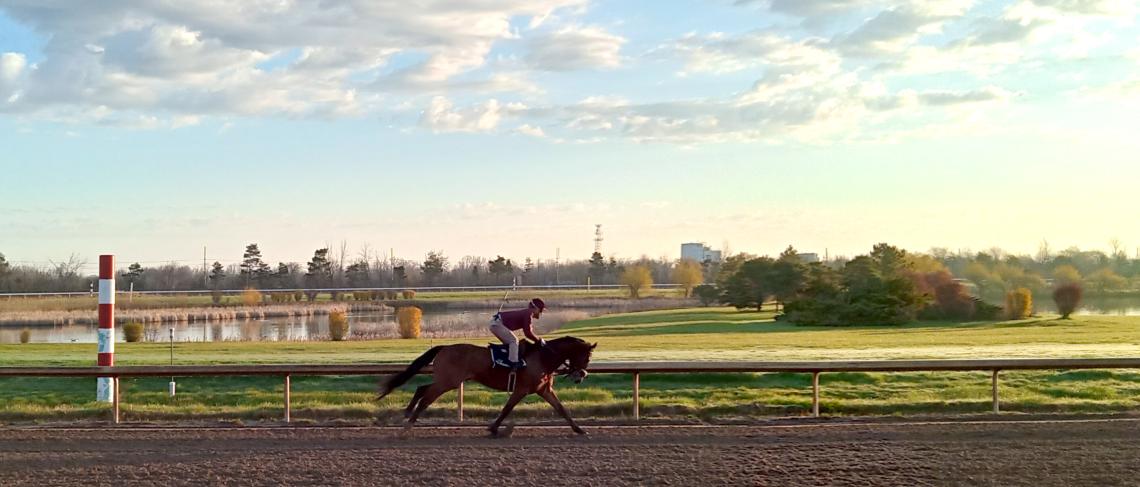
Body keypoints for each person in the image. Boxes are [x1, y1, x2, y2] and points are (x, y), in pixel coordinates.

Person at [489, 298, 546, 369]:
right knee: (514, 341)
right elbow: (528, 333)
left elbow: (528, 332)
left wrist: (537, 340)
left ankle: (502, 361)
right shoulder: (529, 314)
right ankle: (513, 363)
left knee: (510, 343)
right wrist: (539, 340)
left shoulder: (527, 313)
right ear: (536, 308)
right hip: (497, 323)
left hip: (496, 322)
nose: (541, 313)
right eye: (540, 310)